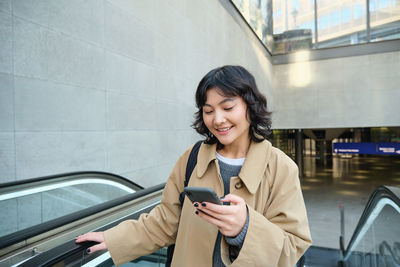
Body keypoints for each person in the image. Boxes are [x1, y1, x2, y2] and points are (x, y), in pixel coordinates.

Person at [75, 65, 312, 266]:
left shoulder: (281, 166)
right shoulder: (192, 157)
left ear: (251, 106)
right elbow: (165, 222)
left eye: (228, 108)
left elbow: (294, 246)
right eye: (209, 111)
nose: (218, 119)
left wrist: (246, 228)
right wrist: (114, 239)